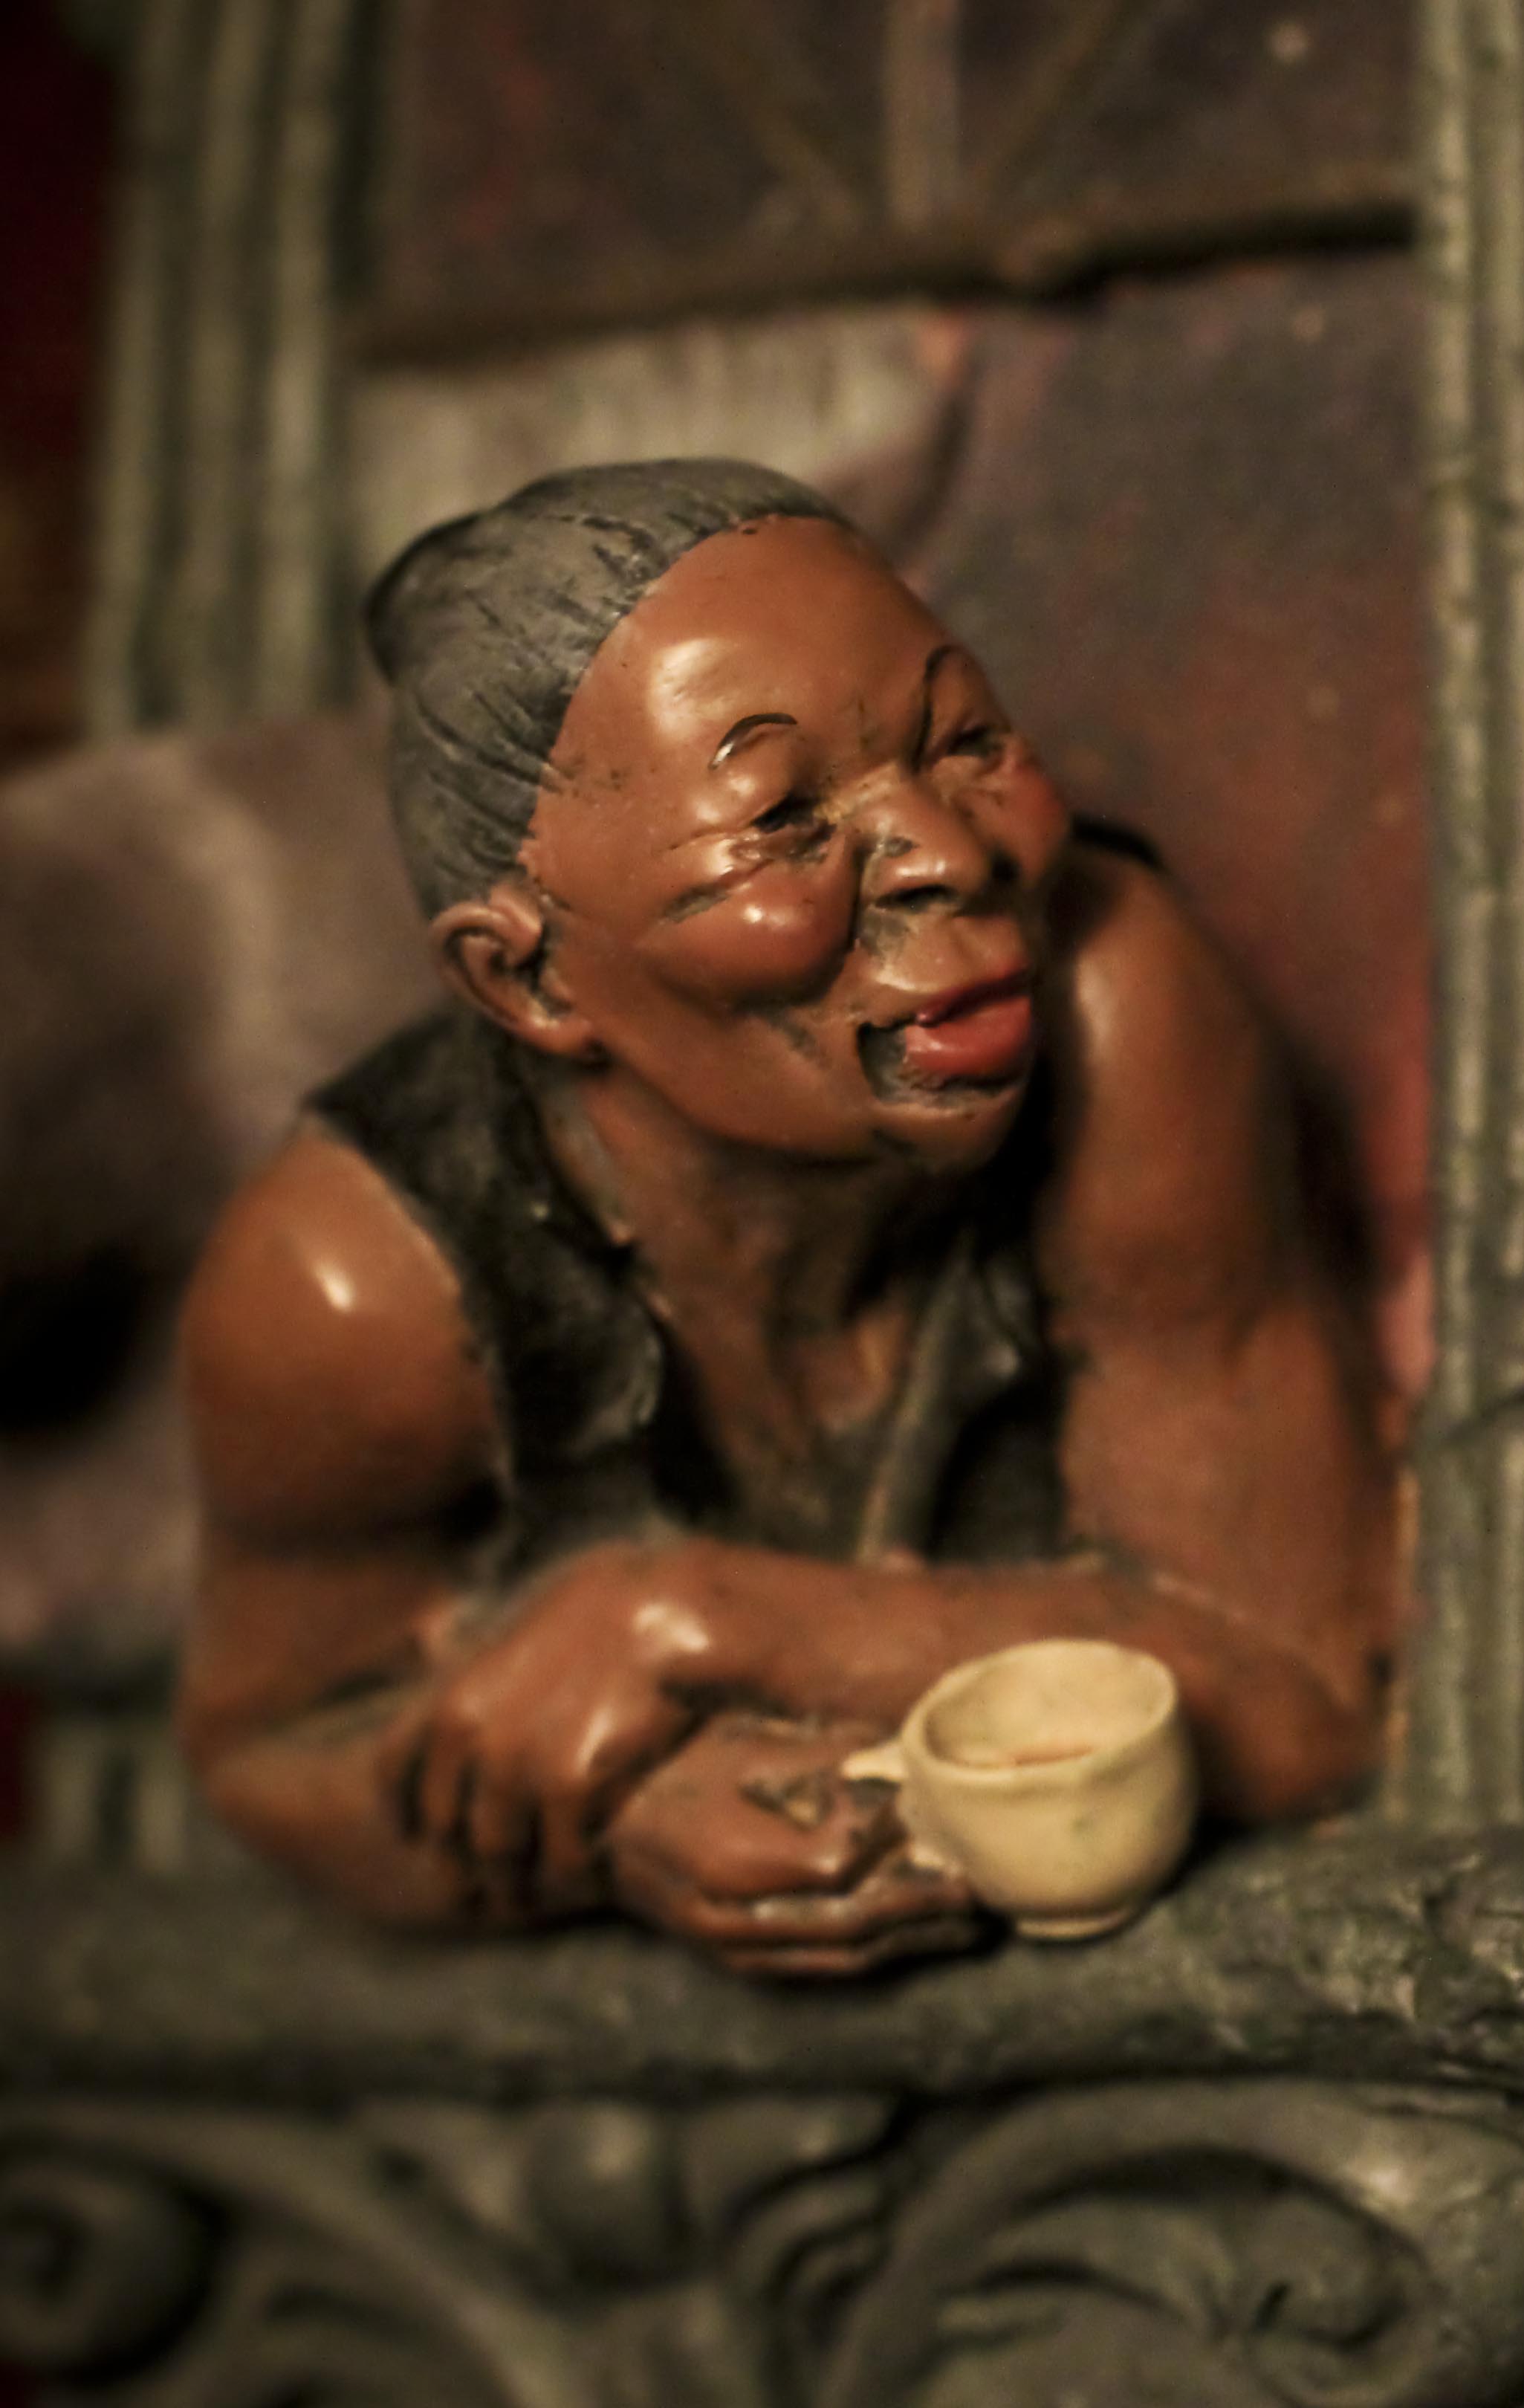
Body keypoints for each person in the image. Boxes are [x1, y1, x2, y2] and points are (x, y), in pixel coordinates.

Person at [174, 462, 1397, 1976]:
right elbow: (275, 1752)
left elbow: (1301, 1698)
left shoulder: (1115, 1010)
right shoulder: (355, 1285)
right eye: (783, 822)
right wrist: (609, 1827)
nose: (953, 855)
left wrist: (696, 1621)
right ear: (527, 977)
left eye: (967, 742)